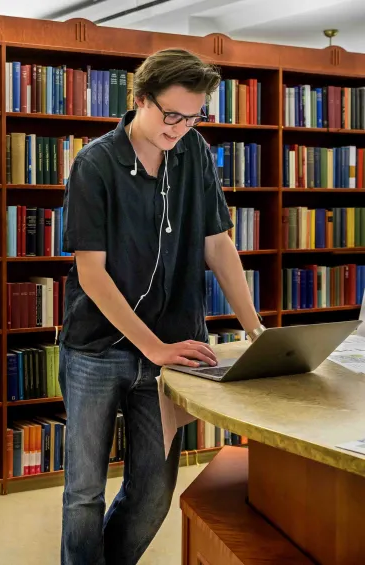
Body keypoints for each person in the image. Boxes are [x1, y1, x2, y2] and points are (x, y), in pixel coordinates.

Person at [59, 48, 264, 565]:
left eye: (193, 117)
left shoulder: (193, 152)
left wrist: (257, 331)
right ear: (139, 100)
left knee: (153, 492)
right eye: (171, 115)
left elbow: (218, 245)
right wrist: (155, 347)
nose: (180, 128)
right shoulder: (95, 163)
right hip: (97, 350)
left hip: (170, 350)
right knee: (84, 494)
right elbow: (91, 272)